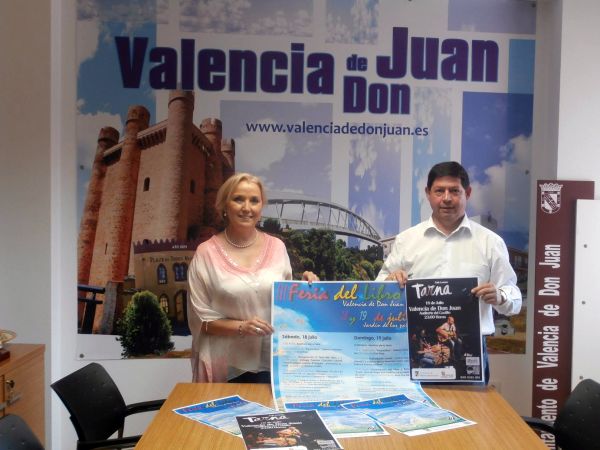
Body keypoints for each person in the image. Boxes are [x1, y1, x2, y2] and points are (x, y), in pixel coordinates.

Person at [376, 161, 522, 383]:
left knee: (473, 416)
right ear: (428, 194)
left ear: (468, 193)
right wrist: (389, 282)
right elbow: (377, 291)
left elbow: (514, 298)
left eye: (455, 191)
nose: (446, 198)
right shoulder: (406, 241)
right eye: (439, 191)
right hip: (415, 349)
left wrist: (500, 296)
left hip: (471, 351)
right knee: (416, 416)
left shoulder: (490, 243)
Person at [187, 172, 318, 383]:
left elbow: (284, 305)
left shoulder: (277, 247)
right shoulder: (206, 253)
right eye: (238, 199)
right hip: (226, 369)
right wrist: (241, 327)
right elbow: (200, 319)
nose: (247, 208)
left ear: (261, 207)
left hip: (272, 365)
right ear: (224, 206)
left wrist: (306, 288)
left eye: (254, 201)